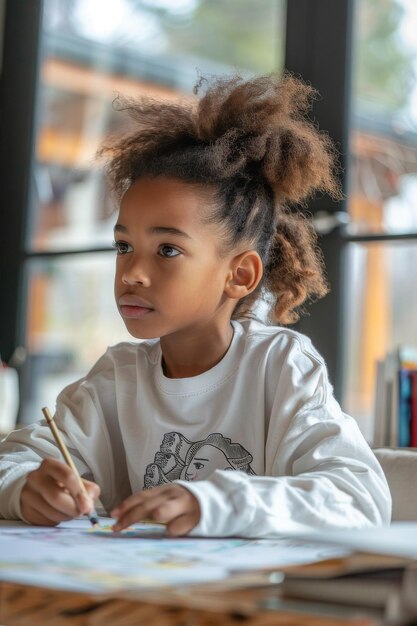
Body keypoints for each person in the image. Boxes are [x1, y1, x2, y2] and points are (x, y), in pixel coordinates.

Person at [0, 73, 391, 537]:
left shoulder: (280, 365)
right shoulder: (116, 378)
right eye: (123, 247)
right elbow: (15, 462)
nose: (132, 273)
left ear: (239, 275)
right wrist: (24, 487)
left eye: (167, 250)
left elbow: (359, 497)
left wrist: (215, 501)